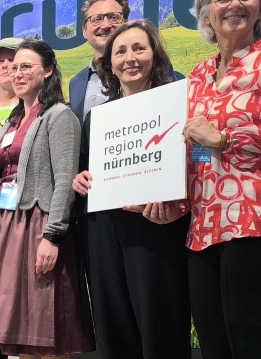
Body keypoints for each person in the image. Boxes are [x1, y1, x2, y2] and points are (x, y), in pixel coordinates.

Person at [184, 0, 261, 358]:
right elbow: (192, 150)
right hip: (203, 228)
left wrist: (227, 138)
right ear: (207, 11)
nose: (235, 4)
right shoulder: (196, 75)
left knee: (258, 341)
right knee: (214, 343)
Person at [72, 20, 191, 358]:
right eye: (120, 51)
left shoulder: (177, 100)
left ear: (155, 54)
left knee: (160, 323)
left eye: (139, 48)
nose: (130, 58)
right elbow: (87, 166)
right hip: (104, 229)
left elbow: (196, 160)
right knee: (113, 324)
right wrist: (80, 179)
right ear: (109, 64)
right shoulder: (98, 117)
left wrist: (174, 198)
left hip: (156, 223)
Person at [0, 39, 95, 358]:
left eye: (26, 66)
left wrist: (52, 236)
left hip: (39, 227)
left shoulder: (59, 116)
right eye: (13, 67)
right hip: (7, 226)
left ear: (49, 70)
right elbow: (2, 179)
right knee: (23, 334)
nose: (17, 72)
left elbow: (65, 180)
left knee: (44, 328)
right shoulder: (13, 121)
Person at [68, 0, 130, 125]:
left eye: (114, 17)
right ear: (84, 31)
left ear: (125, 24)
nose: (106, 25)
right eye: (97, 19)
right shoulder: (76, 83)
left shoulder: (148, 67)